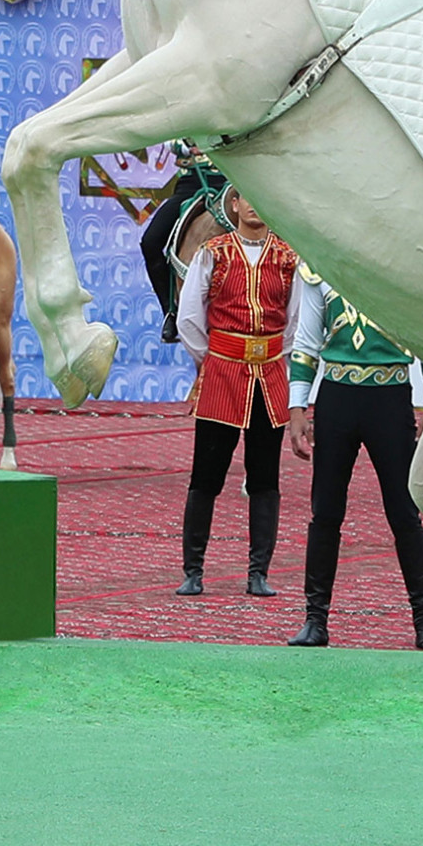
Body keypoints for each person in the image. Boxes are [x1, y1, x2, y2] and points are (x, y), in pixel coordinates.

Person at [285, 268, 423, 652]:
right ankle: (315, 619)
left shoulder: (398, 265)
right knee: (325, 511)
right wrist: (297, 407)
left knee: (405, 513)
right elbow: (306, 343)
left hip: (390, 397)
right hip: (337, 397)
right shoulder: (318, 266)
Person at [174, 188, 300, 597]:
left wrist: (279, 358)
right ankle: (193, 570)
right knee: (206, 475)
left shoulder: (287, 257)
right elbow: (191, 315)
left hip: (270, 376)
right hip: (222, 374)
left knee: (264, 477)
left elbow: (296, 322)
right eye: (245, 196)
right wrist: (213, 357)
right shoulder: (213, 252)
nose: (253, 205)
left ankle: (258, 572)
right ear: (233, 203)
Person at [140, 143, 229, 342]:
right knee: (150, 242)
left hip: (232, 181)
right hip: (191, 183)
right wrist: (187, 147)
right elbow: (171, 137)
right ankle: (171, 312)